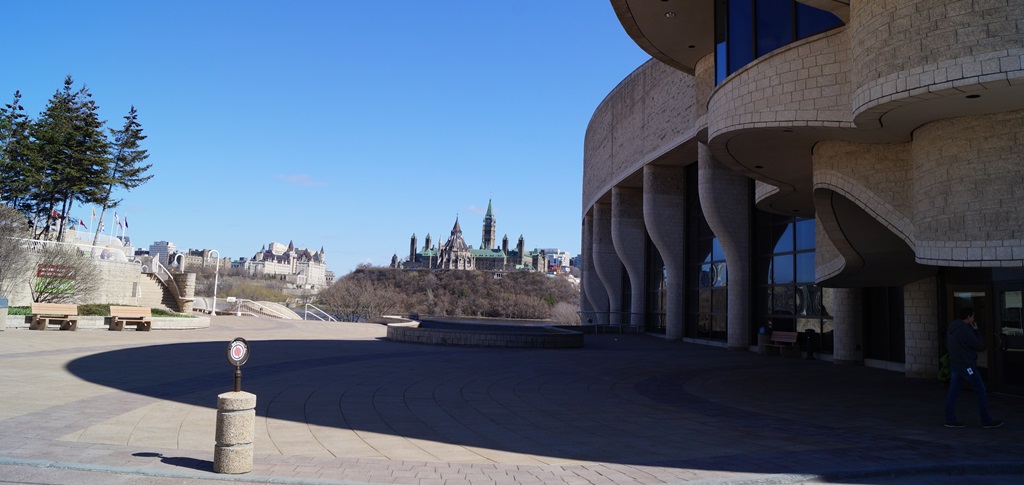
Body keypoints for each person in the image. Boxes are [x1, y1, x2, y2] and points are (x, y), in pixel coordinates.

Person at [944, 307, 1003, 428]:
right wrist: (976, 331)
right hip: (967, 366)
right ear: (968, 317)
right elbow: (979, 345)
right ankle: (986, 421)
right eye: (973, 317)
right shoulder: (966, 330)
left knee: (953, 392)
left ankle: (949, 419)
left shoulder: (952, 327)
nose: (973, 319)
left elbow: (947, 344)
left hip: (955, 364)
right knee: (980, 390)